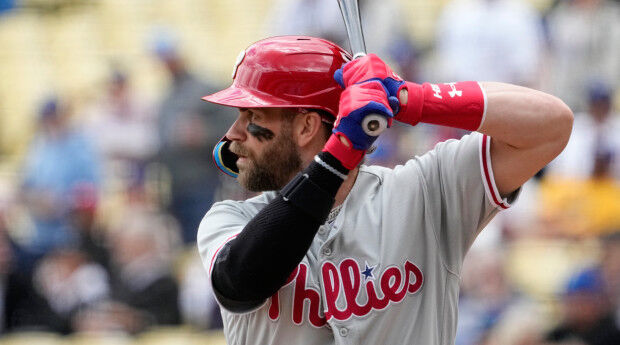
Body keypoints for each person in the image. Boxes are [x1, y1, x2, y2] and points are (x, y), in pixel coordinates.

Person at [197, 36, 573, 344]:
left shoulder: (424, 191)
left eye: (252, 117)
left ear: (306, 127)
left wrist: (409, 98)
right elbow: (239, 285)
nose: (232, 134)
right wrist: (340, 153)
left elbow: (551, 125)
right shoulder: (231, 218)